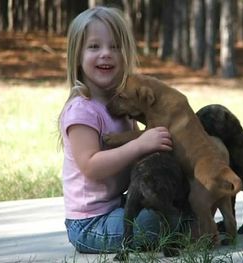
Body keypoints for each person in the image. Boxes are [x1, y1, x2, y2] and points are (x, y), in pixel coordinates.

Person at [58, 6, 174, 254]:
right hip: (89, 223)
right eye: (94, 47)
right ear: (77, 56)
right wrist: (140, 144)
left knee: (173, 206)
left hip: (120, 204)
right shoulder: (82, 110)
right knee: (152, 223)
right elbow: (91, 165)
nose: (106, 54)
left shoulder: (123, 105)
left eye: (115, 46)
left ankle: (184, 224)